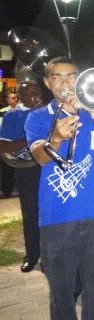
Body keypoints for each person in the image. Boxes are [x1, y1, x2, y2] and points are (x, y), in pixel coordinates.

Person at [24, 57, 94, 320]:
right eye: (57, 76)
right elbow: (40, 157)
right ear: (47, 82)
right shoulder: (38, 117)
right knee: (62, 292)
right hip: (57, 218)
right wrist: (55, 138)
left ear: (81, 79)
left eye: (71, 76)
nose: (65, 82)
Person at [0, 82, 44, 272]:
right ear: (19, 96)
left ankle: (52, 255)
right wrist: (31, 138)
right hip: (27, 170)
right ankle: (32, 255)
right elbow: (3, 146)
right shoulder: (12, 116)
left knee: (52, 212)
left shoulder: (50, 112)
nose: (34, 96)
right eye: (28, 93)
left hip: (51, 168)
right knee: (31, 214)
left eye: (36, 92)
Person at [0, 91, 19, 199]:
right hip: (7, 143)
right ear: (7, 100)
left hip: (19, 143)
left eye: (16, 98)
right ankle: (7, 191)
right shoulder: (3, 112)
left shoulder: (23, 111)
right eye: (12, 98)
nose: (15, 100)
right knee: (7, 168)